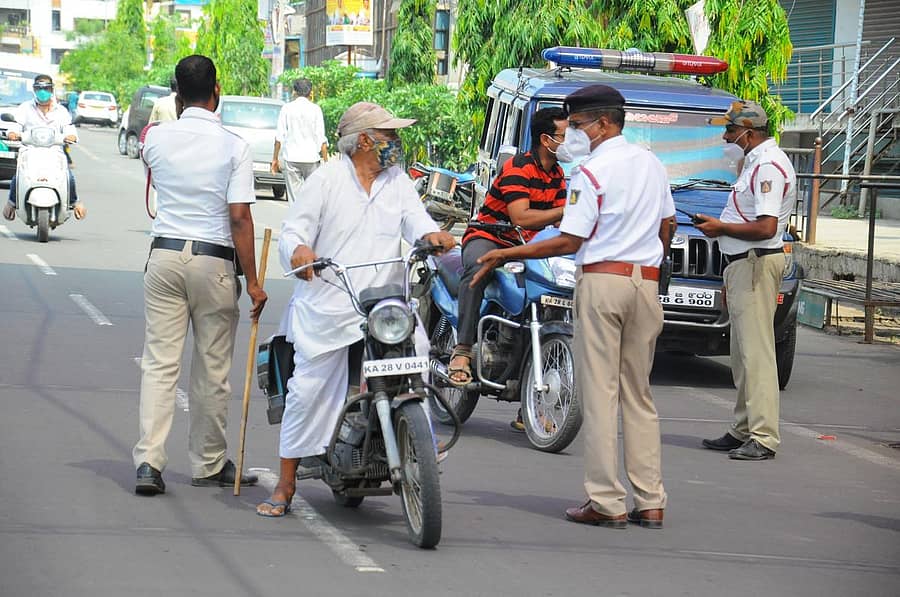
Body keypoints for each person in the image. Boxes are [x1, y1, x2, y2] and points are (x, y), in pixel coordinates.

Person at [473, 85, 673, 529]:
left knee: (599, 394)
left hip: (603, 281)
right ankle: (651, 500)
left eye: (579, 126)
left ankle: (606, 501)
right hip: (645, 283)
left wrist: (506, 254)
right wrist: (651, 262)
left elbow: (569, 240)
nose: (574, 135)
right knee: (638, 395)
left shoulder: (591, 172)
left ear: (603, 124)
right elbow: (669, 222)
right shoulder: (651, 164)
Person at [256, 101, 455, 517]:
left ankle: (420, 433)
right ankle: (286, 484)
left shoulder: (397, 180)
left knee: (417, 351)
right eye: (389, 137)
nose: (397, 144)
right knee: (307, 390)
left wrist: (432, 235)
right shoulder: (326, 180)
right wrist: (299, 251)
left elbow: (416, 221)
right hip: (330, 300)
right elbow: (293, 231)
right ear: (364, 141)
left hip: (384, 301)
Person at [133, 55, 268, 496]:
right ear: (217, 92)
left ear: (176, 94)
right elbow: (240, 218)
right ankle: (208, 463)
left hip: (165, 257)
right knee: (212, 369)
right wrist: (252, 281)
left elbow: (153, 169)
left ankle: (149, 463)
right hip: (213, 262)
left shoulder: (156, 139)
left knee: (159, 364)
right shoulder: (234, 145)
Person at [448, 107, 569, 431]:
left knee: (544, 305)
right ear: (546, 139)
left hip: (528, 246)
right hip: (491, 236)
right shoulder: (518, 167)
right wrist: (566, 209)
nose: (569, 141)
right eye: (564, 135)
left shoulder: (557, 174)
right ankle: (461, 351)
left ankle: (527, 403)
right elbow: (522, 217)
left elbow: (555, 223)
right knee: (478, 269)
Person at [696, 100, 796, 461]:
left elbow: (767, 227)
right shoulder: (755, 161)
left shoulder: (768, 166)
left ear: (748, 133)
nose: (726, 136)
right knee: (742, 354)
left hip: (755, 263)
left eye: (731, 130)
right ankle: (743, 428)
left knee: (757, 355)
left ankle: (764, 437)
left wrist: (720, 227)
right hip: (743, 264)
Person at [3, 75, 86, 222]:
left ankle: (74, 202)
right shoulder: (25, 108)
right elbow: (15, 125)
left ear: (52, 89)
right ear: (34, 90)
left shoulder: (61, 111)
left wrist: (71, 136)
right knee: (19, 175)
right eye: (39, 88)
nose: (43, 91)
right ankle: (11, 203)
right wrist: (13, 133)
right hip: (30, 151)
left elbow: (69, 128)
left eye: (46, 88)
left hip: (54, 152)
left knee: (68, 176)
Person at [271, 78, 328, 203]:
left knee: (294, 199)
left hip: (292, 158)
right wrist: (326, 162)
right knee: (312, 197)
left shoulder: (287, 108)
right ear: (310, 92)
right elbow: (322, 139)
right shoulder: (316, 109)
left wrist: (275, 159)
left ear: (294, 92)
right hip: (312, 159)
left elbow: (279, 138)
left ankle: (296, 220)